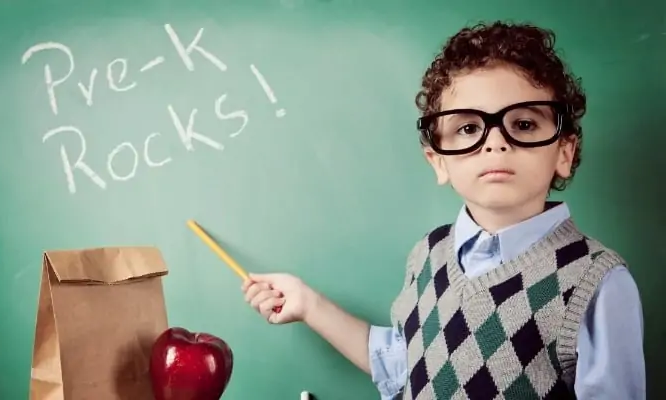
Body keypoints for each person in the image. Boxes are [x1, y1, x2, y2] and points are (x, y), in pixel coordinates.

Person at [241, 21, 645, 400]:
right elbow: (405, 364)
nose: (495, 143)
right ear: (438, 161)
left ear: (564, 152)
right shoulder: (429, 253)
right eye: (469, 129)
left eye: (522, 124)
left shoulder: (598, 281)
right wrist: (309, 305)